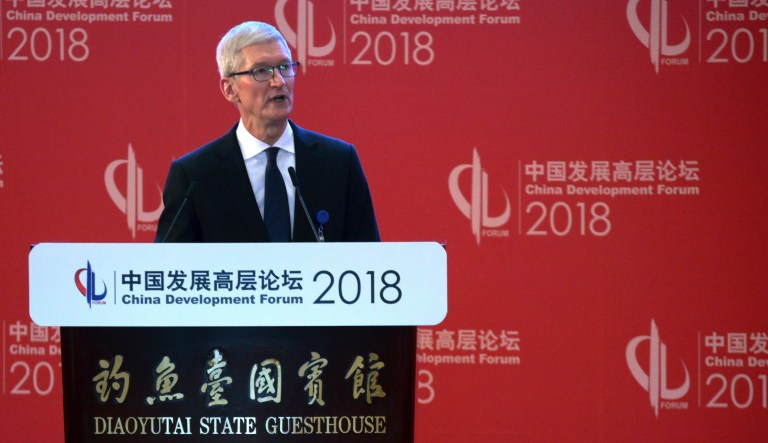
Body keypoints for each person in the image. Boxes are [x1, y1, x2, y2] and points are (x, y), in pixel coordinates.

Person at [155, 21, 379, 243]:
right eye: (261, 71)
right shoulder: (195, 176)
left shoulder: (338, 162)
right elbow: (170, 267)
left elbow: (369, 260)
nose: (278, 81)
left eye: (284, 67)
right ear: (230, 89)